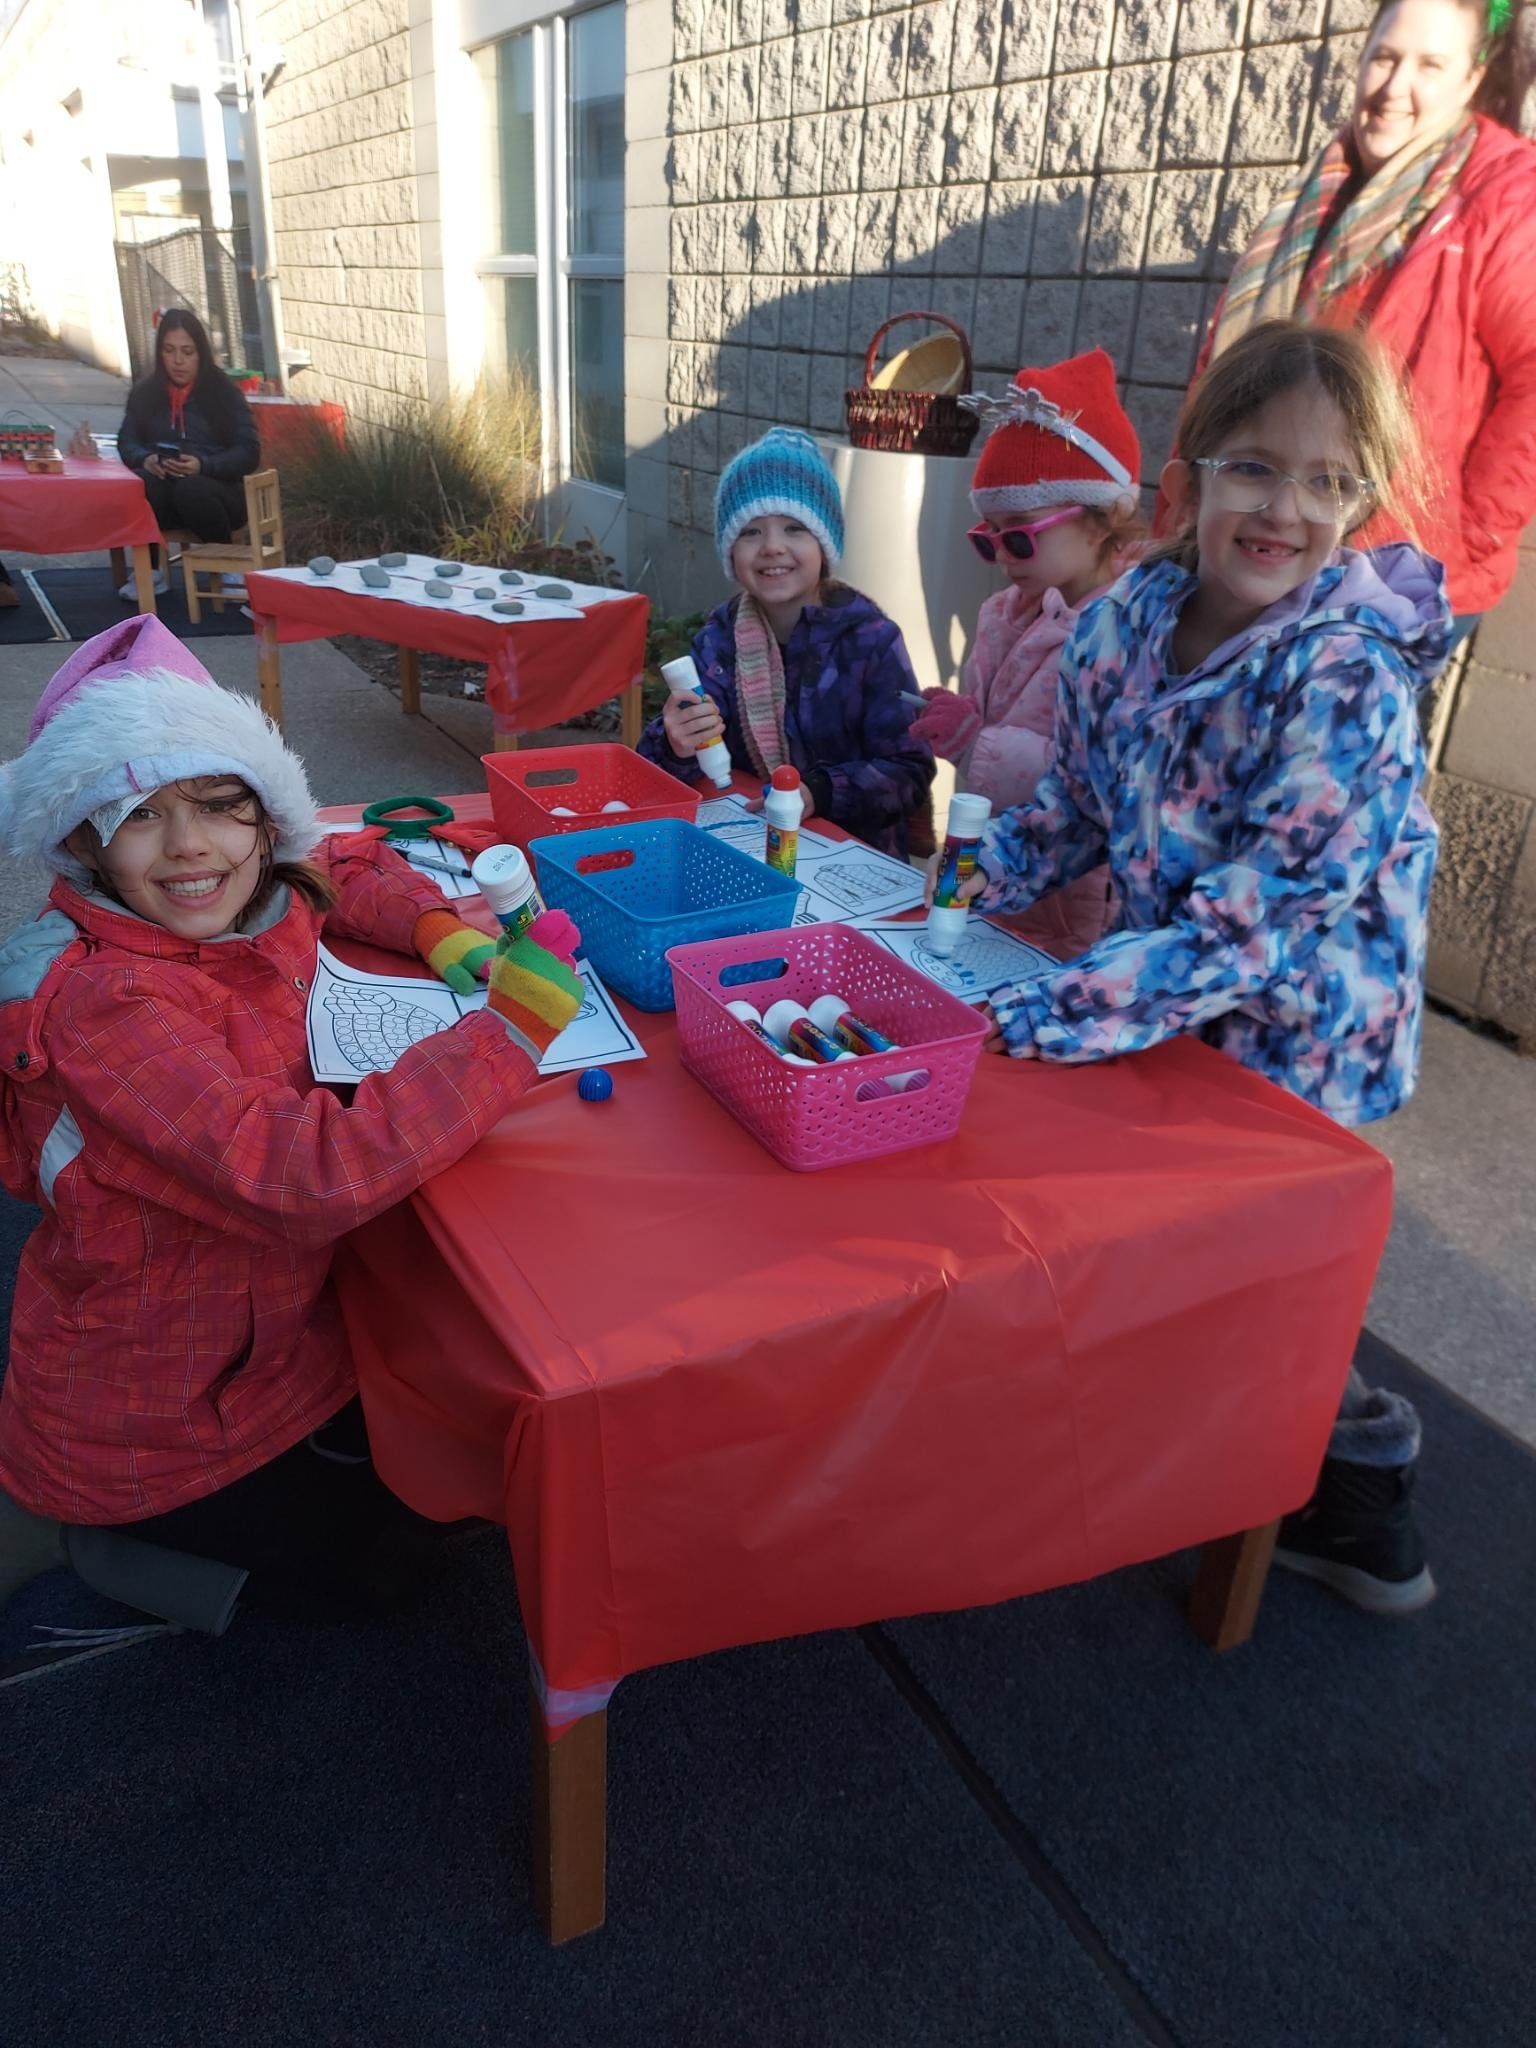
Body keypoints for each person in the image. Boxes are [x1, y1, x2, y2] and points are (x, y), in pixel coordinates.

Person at [939, 319, 1449, 1616]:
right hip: (1171, 989)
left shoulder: (1348, 684)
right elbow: (1074, 810)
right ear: (1193, 476)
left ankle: (1360, 1492)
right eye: (1256, 469)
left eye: (1328, 481)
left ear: (1364, 498)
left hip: (1300, 1028)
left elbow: (1258, 929)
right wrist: (950, 904)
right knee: (1187, 1249)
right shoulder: (1125, 629)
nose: (1286, 509)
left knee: (1281, 1278)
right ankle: (1189, 1453)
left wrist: (1046, 1006)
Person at [0, 616, 584, 1626]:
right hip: (160, 1413)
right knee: (409, 1563)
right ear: (85, 838)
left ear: (264, 817)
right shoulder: (110, 1005)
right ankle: (108, 1550)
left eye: (221, 806)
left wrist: (439, 929)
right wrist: (511, 1028)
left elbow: (339, 865)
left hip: (268, 1340)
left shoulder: (246, 889)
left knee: (444, 1440)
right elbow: (304, 1175)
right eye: (140, 815)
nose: (191, 846)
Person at [1195, 0, 1536, 638]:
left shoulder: (1509, 194)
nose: (1394, 87)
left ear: (1471, 79)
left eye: (1430, 65)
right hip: (1280, 545)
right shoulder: (1321, 193)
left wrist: (1468, 530)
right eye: (1384, 57)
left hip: (1392, 577)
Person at [908, 348, 1144, 959]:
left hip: (1082, 904)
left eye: (1020, 533)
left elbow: (1097, 789)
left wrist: (972, 742)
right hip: (1005, 875)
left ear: (1102, 519)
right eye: (988, 538)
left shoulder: (1134, 637)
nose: (1005, 556)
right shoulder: (1005, 616)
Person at [637, 427, 935, 858]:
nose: (773, 547)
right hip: (747, 848)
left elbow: (909, 769)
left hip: (854, 860)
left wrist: (819, 792)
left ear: (825, 543)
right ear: (730, 551)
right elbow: (656, 772)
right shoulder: (718, 641)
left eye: (795, 528)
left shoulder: (870, 640)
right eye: (751, 532)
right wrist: (674, 743)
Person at [116, 309, 261, 599]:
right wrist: (146, 458)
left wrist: (203, 465)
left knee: (191, 488)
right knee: (143, 483)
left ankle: (227, 564)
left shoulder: (224, 393)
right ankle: (151, 571)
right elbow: (126, 441)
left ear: (200, 353)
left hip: (219, 493)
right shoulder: (145, 393)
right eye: (169, 351)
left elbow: (249, 452)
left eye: (187, 351)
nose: (178, 361)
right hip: (165, 491)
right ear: (160, 353)